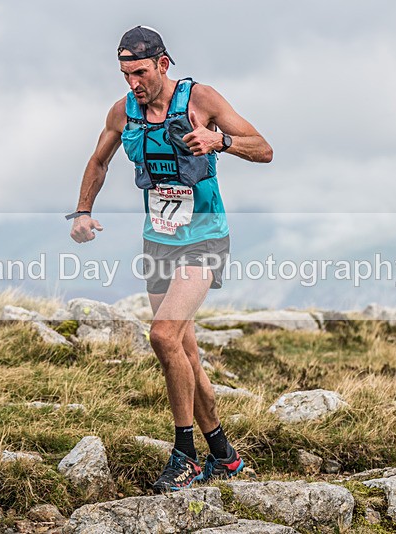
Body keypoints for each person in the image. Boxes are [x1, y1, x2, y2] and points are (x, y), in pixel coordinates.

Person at [67, 25, 272, 493]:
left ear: (162, 63)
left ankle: (185, 455)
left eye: (139, 72)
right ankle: (224, 454)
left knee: (162, 334)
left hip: (205, 238)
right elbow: (98, 161)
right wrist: (83, 211)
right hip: (158, 241)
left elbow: (264, 148)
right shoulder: (124, 112)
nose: (132, 83)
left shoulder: (200, 100)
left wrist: (219, 142)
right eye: (125, 74)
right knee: (185, 351)